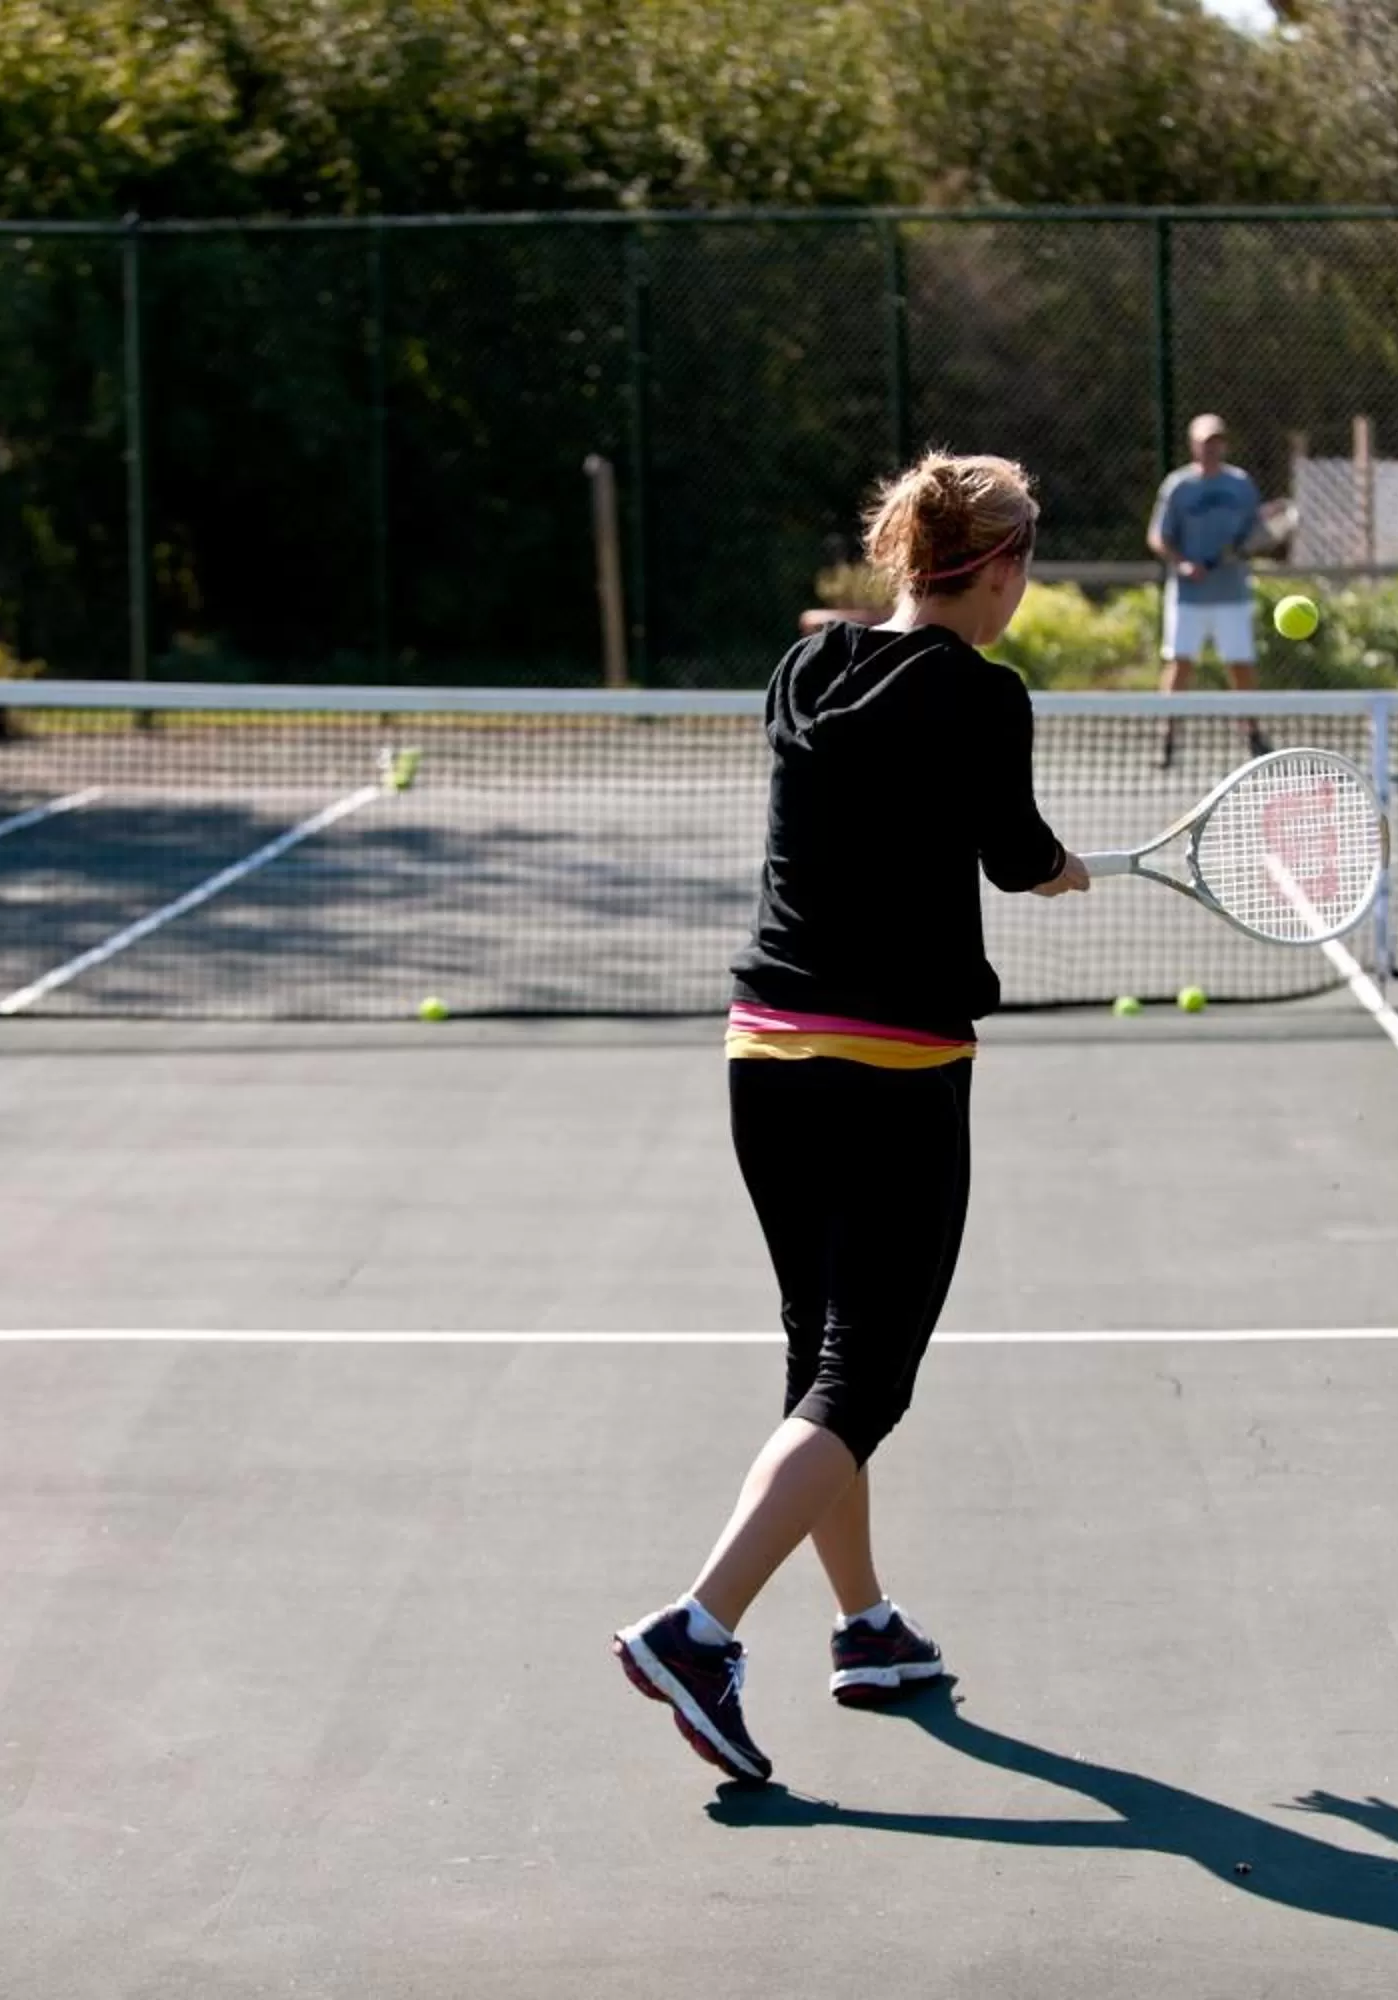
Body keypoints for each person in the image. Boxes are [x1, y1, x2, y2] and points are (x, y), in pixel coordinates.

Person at [611, 452, 1089, 1787]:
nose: (1020, 593)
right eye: (1022, 567)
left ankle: (864, 1626)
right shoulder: (984, 693)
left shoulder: (802, 669)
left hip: (764, 1053)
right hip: (893, 1069)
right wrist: (1065, 873)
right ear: (992, 565)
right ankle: (698, 1631)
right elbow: (1015, 853)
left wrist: (1027, 855)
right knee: (864, 1376)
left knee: (820, 1355)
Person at [1146, 412, 1270, 767]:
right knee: (1179, 664)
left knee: (1240, 666)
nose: (1211, 448)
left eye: (1217, 441)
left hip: (1232, 593)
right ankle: (1167, 740)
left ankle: (1253, 735)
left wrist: (1248, 546)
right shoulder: (1178, 487)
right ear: (1193, 445)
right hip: (1188, 595)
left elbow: (1258, 532)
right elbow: (1157, 536)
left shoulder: (1241, 485)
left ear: (1224, 444)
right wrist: (1182, 562)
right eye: (1205, 442)